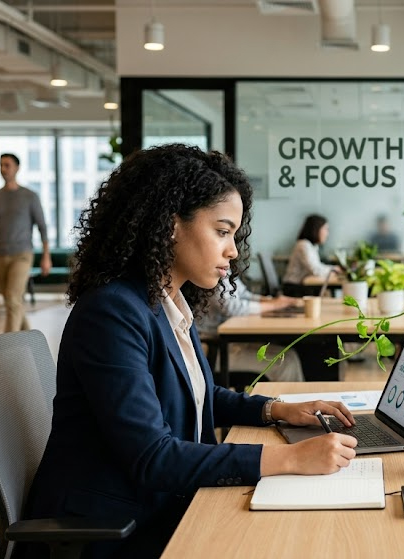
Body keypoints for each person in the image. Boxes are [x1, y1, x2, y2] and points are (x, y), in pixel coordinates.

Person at [19, 145, 357, 559]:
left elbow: (201, 394)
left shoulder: (166, 301)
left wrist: (278, 410)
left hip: (162, 503)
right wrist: (288, 458)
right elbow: (154, 457)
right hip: (114, 529)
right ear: (171, 224)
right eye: (222, 231)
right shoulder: (111, 313)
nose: (232, 250)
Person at [0, 152, 51, 332]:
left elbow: (42, 227)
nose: (3, 169)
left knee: (13, 298)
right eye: (1, 165)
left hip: (22, 255)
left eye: (7, 165)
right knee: (12, 301)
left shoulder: (30, 196)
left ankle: (9, 346)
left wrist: (46, 257)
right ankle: (29, 339)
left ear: (17, 168)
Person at [196, 279, 304, 382]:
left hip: (228, 344)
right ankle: (286, 401)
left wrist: (273, 301)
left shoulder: (225, 270)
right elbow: (233, 308)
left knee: (290, 355)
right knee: (286, 364)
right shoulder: (211, 272)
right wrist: (275, 305)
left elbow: (244, 295)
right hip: (211, 351)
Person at [281, 214, 336, 295]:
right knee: (325, 292)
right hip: (293, 288)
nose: (327, 233)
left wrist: (333, 269)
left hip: (300, 286)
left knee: (325, 290)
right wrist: (333, 269)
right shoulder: (303, 245)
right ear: (316, 229)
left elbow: (318, 267)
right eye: (325, 229)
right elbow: (315, 270)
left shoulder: (312, 247)